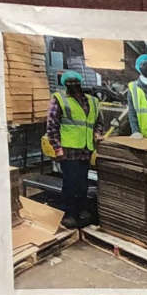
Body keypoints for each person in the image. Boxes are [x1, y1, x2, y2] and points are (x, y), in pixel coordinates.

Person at [47, 70, 99, 228]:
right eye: (68, 82)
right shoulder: (59, 99)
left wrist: (97, 134)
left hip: (85, 149)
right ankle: (68, 213)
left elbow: (98, 122)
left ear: (80, 82)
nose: (72, 85)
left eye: (74, 82)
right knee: (70, 183)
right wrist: (57, 148)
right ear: (65, 84)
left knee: (83, 183)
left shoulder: (93, 101)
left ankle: (82, 210)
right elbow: (52, 125)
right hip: (68, 150)